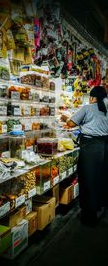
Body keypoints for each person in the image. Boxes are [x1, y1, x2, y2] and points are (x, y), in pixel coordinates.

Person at [61, 86, 108, 226]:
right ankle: (99, 206)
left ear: (93, 97)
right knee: (101, 177)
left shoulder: (87, 108)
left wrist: (65, 117)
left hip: (91, 146)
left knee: (88, 179)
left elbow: (70, 123)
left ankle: (89, 215)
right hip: (105, 146)